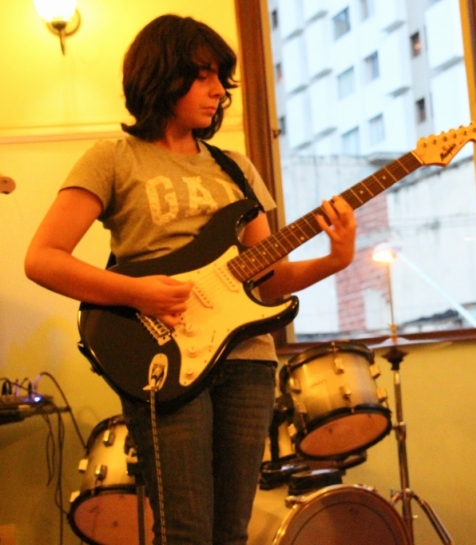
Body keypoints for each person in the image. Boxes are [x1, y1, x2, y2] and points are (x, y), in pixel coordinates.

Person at [24, 15, 357, 545]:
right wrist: (137, 291)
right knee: (185, 531)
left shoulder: (236, 168)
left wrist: (335, 260)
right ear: (162, 75)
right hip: (161, 357)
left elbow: (266, 280)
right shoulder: (112, 158)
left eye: (221, 78)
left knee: (231, 531)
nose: (218, 90)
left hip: (246, 361)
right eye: (203, 75)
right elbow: (42, 258)